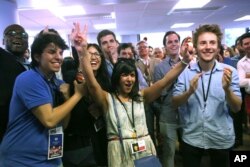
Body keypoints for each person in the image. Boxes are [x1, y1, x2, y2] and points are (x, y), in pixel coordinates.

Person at [71, 22, 192, 167]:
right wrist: (82, 53)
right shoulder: (107, 99)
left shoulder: (141, 96)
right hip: (119, 150)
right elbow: (91, 84)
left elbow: (165, 81)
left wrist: (184, 61)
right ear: (116, 78)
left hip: (145, 149)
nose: (129, 79)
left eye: (132, 75)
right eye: (124, 75)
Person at [0, 28, 85, 167]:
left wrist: (66, 96)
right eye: (52, 52)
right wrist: (77, 95)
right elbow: (49, 120)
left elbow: (63, 124)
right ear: (37, 56)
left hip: (50, 158)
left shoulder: (57, 84)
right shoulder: (29, 79)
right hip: (22, 160)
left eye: (60, 52)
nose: (58, 57)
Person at [172, 24, 242, 167]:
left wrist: (227, 90)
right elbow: (174, 102)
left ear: (218, 47)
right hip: (192, 137)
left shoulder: (230, 72)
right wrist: (189, 92)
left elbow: (236, 108)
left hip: (220, 137)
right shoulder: (185, 72)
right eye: (203, 43)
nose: (208, 47)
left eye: (212, 43)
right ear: (196, 47)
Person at [62, 43, 111, 167]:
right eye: (89, 54)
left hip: (101, 139)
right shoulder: (70, 80)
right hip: (78, 144)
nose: (94, 57)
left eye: (97, 54)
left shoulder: (106, 82)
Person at [153, 31, 182, 167]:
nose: (174, 44)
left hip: (187, 114)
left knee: (188, 150)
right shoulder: (159, 68)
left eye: (176, 41)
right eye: (170, 42)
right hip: (168, 115)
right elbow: (160, 93)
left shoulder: (191, 64)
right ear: (165, 46)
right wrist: (173, 74)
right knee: (169, 152)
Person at [0, 24, 30, 143]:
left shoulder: (32, 67)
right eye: (11, 34)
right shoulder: (2, 59)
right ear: (3, 40)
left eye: (23, 35)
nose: (18, 37)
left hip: (26, 132)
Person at [237, 32, 250, 135]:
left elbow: (245, 81)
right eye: (245, 44)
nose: (248, 45)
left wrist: (248, 79)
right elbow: (240, 82)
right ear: (242, 46)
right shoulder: (241, 63)